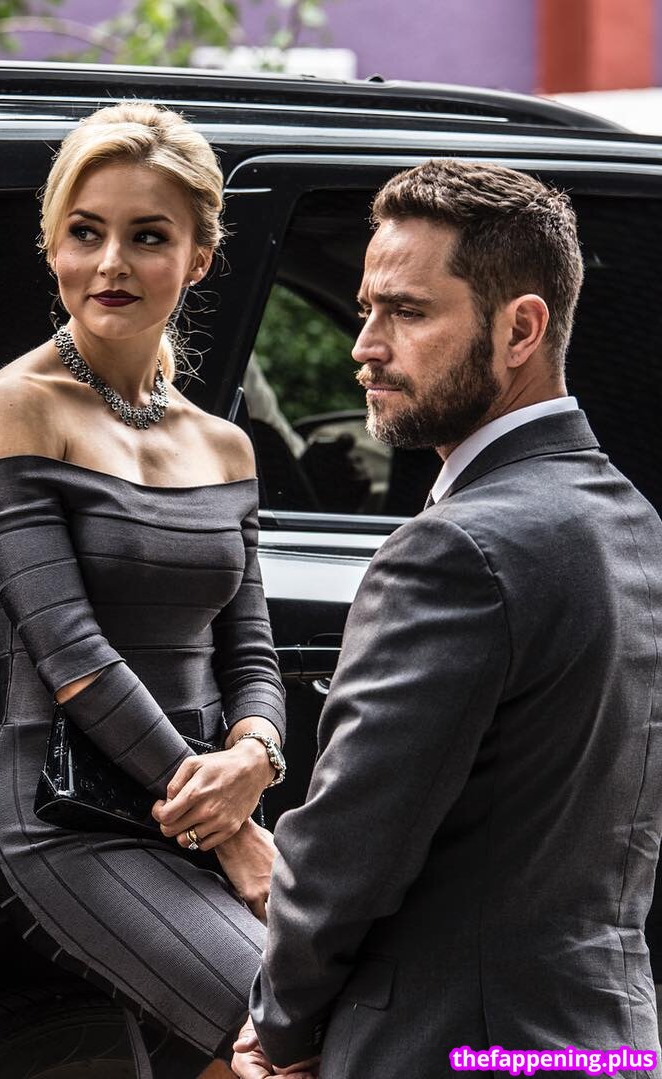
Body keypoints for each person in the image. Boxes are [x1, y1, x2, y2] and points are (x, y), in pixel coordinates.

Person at [233, 160, 662, 1079]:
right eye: (366, 309)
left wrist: (278, 1025)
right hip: (610, 1042)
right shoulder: (634, 522)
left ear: (521, 329)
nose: (365, 346)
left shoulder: (454, 549)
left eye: (407, 311)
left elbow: (349, 844)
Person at [0, 102, 287, 1077]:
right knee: (308, 1027)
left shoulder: (223, 444)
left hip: (204, 804)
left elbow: (250, 650)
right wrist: (229, 827)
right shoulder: (17, 407)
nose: (111, 264)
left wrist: (256, 755)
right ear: (52, 247)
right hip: (74, 816)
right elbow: (70, 655)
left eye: (147, 236)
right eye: (86, 232)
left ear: (198, 257)